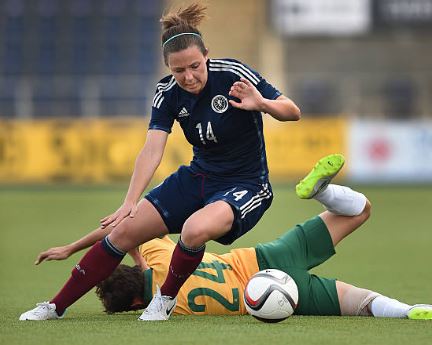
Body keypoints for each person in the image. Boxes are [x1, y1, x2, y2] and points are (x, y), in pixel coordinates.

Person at [19, 2, 301, 321]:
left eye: (195, 66)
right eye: (178, 70)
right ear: (168, 67)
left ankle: (164, 300)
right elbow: (152, 150)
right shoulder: (166, 93)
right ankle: (55, 306)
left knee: (194, 230)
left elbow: (292, 111)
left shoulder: (233, 74)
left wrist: (262, 104)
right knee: (122, 232)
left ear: (206, 54)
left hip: (247, 184)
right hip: (199, 177)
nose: (189, 76)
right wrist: (130, 201)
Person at [23, 156, 432, 320]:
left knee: (361, 303)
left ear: (136, 304)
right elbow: (120, 234)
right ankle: (324, 192)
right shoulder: (157, 256)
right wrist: (71, 248)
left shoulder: (161, 294)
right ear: (135, 267)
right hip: (265, 257)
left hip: (269, 296)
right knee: (360, 210)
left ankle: (413, 311)